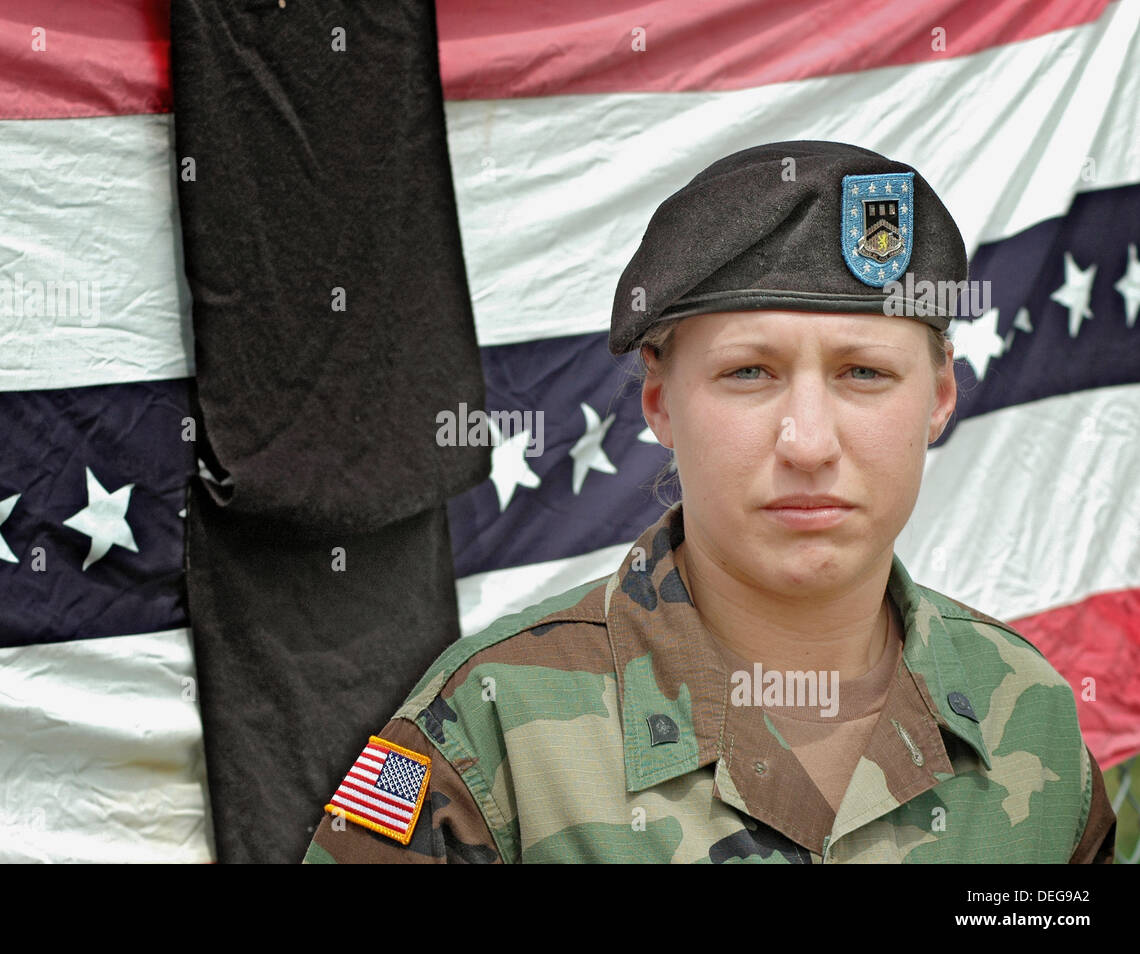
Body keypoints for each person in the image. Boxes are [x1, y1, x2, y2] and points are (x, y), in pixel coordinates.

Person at [302, 140, 1117, 864]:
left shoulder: (1027, 711)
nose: (807, 441)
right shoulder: (492, 729)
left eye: (863, 372)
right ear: (659, 403)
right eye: (748, 373)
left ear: (939, 396)